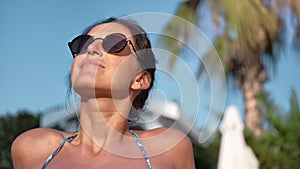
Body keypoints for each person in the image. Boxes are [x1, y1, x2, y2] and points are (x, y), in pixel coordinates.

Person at [11, 17, 195, 169]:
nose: (91, 49)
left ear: (140, 79)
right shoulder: (32, 148)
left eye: (114, 43)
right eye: (83, 44)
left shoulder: (168, 148)